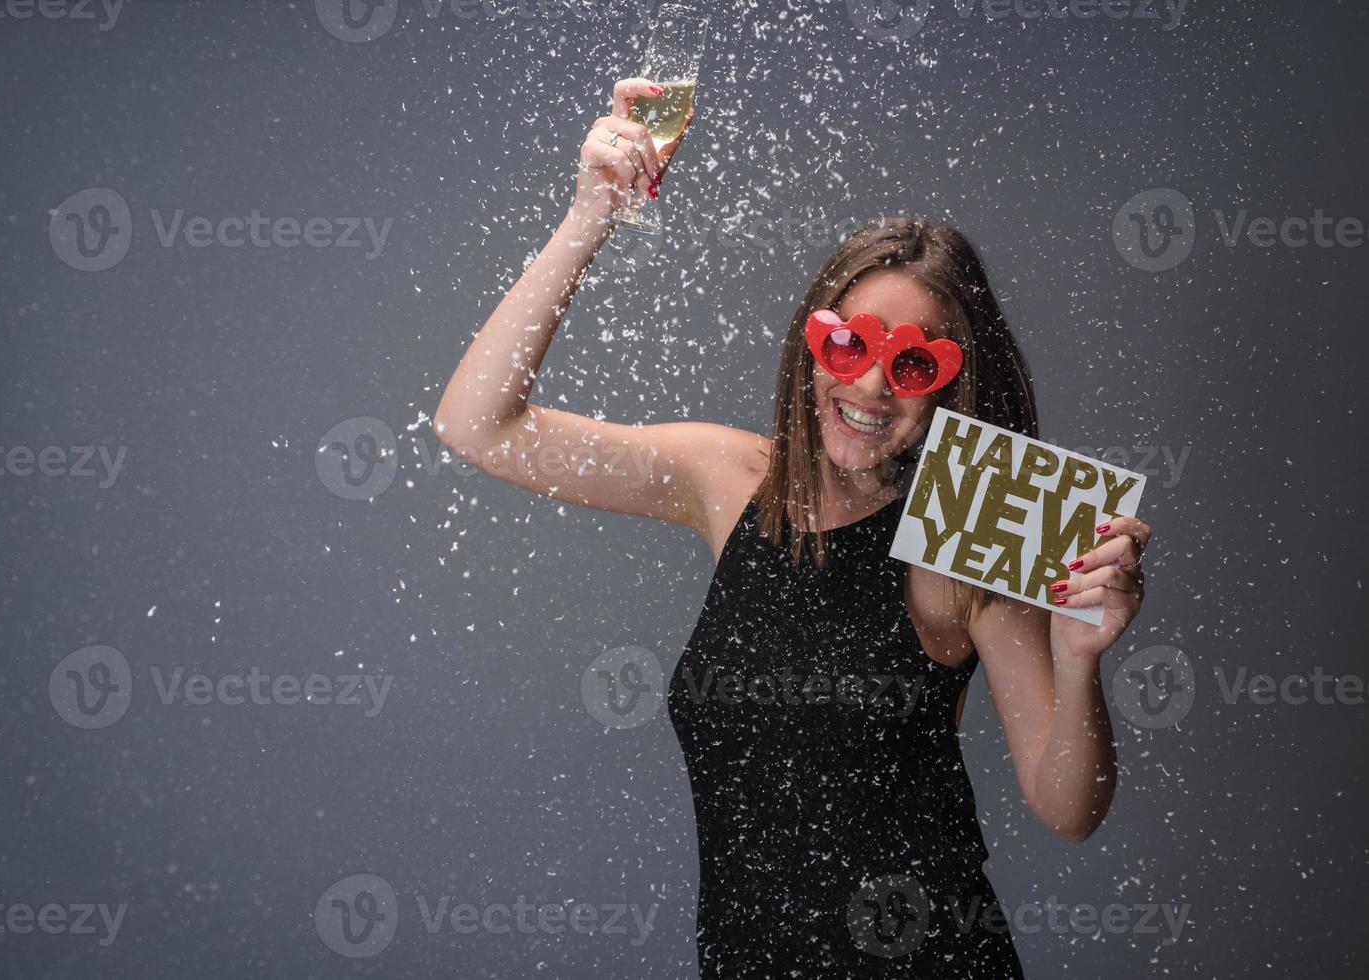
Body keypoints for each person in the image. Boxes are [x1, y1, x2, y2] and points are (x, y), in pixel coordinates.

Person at [433, 78, 1152, 979]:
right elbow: (478, 426)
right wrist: (588, 220)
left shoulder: (971, 522)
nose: (869, 389)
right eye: (848, 346)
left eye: (915, 365)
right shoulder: (729, 478)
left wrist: (1082, 658)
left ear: (952, 387)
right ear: (811, 341)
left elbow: (1066, 808)